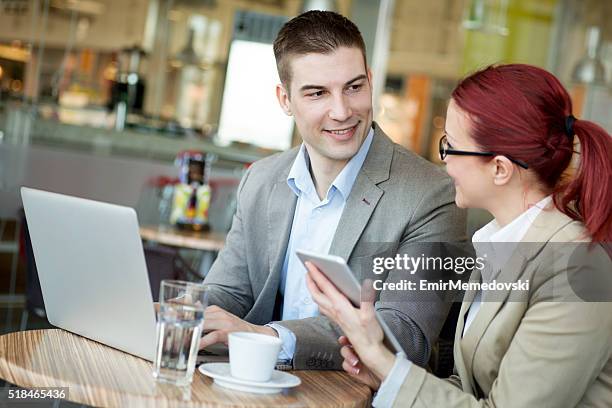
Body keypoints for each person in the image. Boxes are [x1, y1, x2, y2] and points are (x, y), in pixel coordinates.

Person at [306, 63, 612, 406]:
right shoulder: (500, 244)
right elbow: (470, 387)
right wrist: (384, 373)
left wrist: (385, 365)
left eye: (450, 147)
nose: (444, 163)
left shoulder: (580, 271)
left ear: (499, 168)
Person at [200, 10, 466, 370]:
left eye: (354, 87)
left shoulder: (430, 194)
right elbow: (230, 293)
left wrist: (269, 339)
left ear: (371, 81)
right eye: (317, 93)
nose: (341, 111)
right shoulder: (261, 179)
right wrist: (176, 311)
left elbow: (407, 335)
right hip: (253, 386)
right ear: (285, 100)